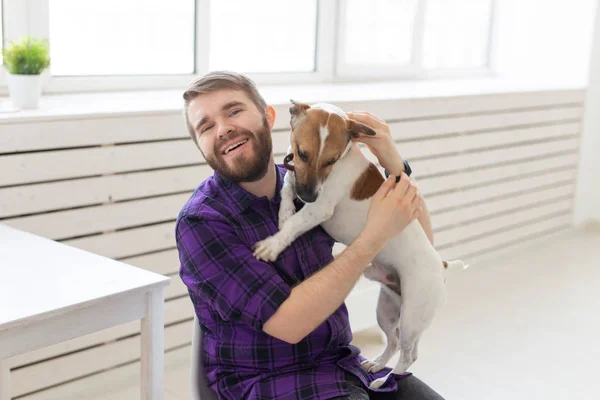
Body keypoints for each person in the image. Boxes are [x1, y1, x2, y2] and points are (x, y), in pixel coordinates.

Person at [175, 71, 444, 400]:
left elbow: (420, 249)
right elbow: (289, 325)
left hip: (341, 366)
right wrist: (373, 237)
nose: (223, 128)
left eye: (233, 111)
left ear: (269, 116)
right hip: (266, 384)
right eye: (206, 126)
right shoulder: (203, 223)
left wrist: (392, 161)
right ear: (200, 145)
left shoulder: (310, 185)